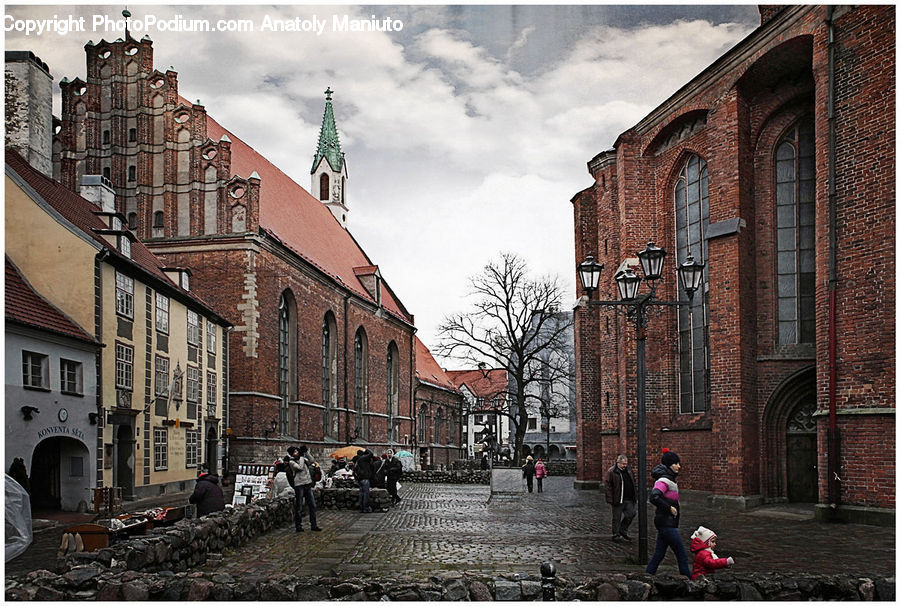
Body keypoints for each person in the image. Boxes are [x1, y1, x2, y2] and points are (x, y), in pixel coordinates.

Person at [645, 448, 690, 577]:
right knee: (682, 555)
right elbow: (654, 496)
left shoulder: (670, 479)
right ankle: (689, 582)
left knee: (659, 555)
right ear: (669, 465)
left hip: (666, 523)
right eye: (676, 463)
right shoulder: (664, 481)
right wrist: (669, 508)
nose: (679, 466)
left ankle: (648, 576)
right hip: (666, 524)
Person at [287, 445, 321, 532]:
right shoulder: (291, 462)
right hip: (299, 485)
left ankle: (314, 525)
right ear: (291, 454)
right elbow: (300, 467)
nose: (297, 452)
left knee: (312, 505)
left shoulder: (302, 459)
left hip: (307, 483)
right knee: (299, 507)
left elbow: (312, 461)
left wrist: (306, 452)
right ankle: (298, 526)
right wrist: (302, 457)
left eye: (297, 451)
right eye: (295, 452)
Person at [604, 454, 636, 542]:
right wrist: (610, 499)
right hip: (617, 499)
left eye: (626, 463)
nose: (625, 465)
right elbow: (608, 486)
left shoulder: (629, 471)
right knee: (616, 518)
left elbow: (633, 482)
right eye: (623, 464)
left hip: (628, 498)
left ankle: (622, 529)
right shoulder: (612, 471)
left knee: (631, 514)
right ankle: (616, 534)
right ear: (618, 463)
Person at [352, 448, 375, 512]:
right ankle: (366, 508)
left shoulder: (358, 460)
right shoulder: (363, 459)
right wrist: (367, 449)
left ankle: (361, 508)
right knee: (366, 494)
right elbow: (371, 454)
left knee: (361, 493)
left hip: (360, 479)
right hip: (365, 478)